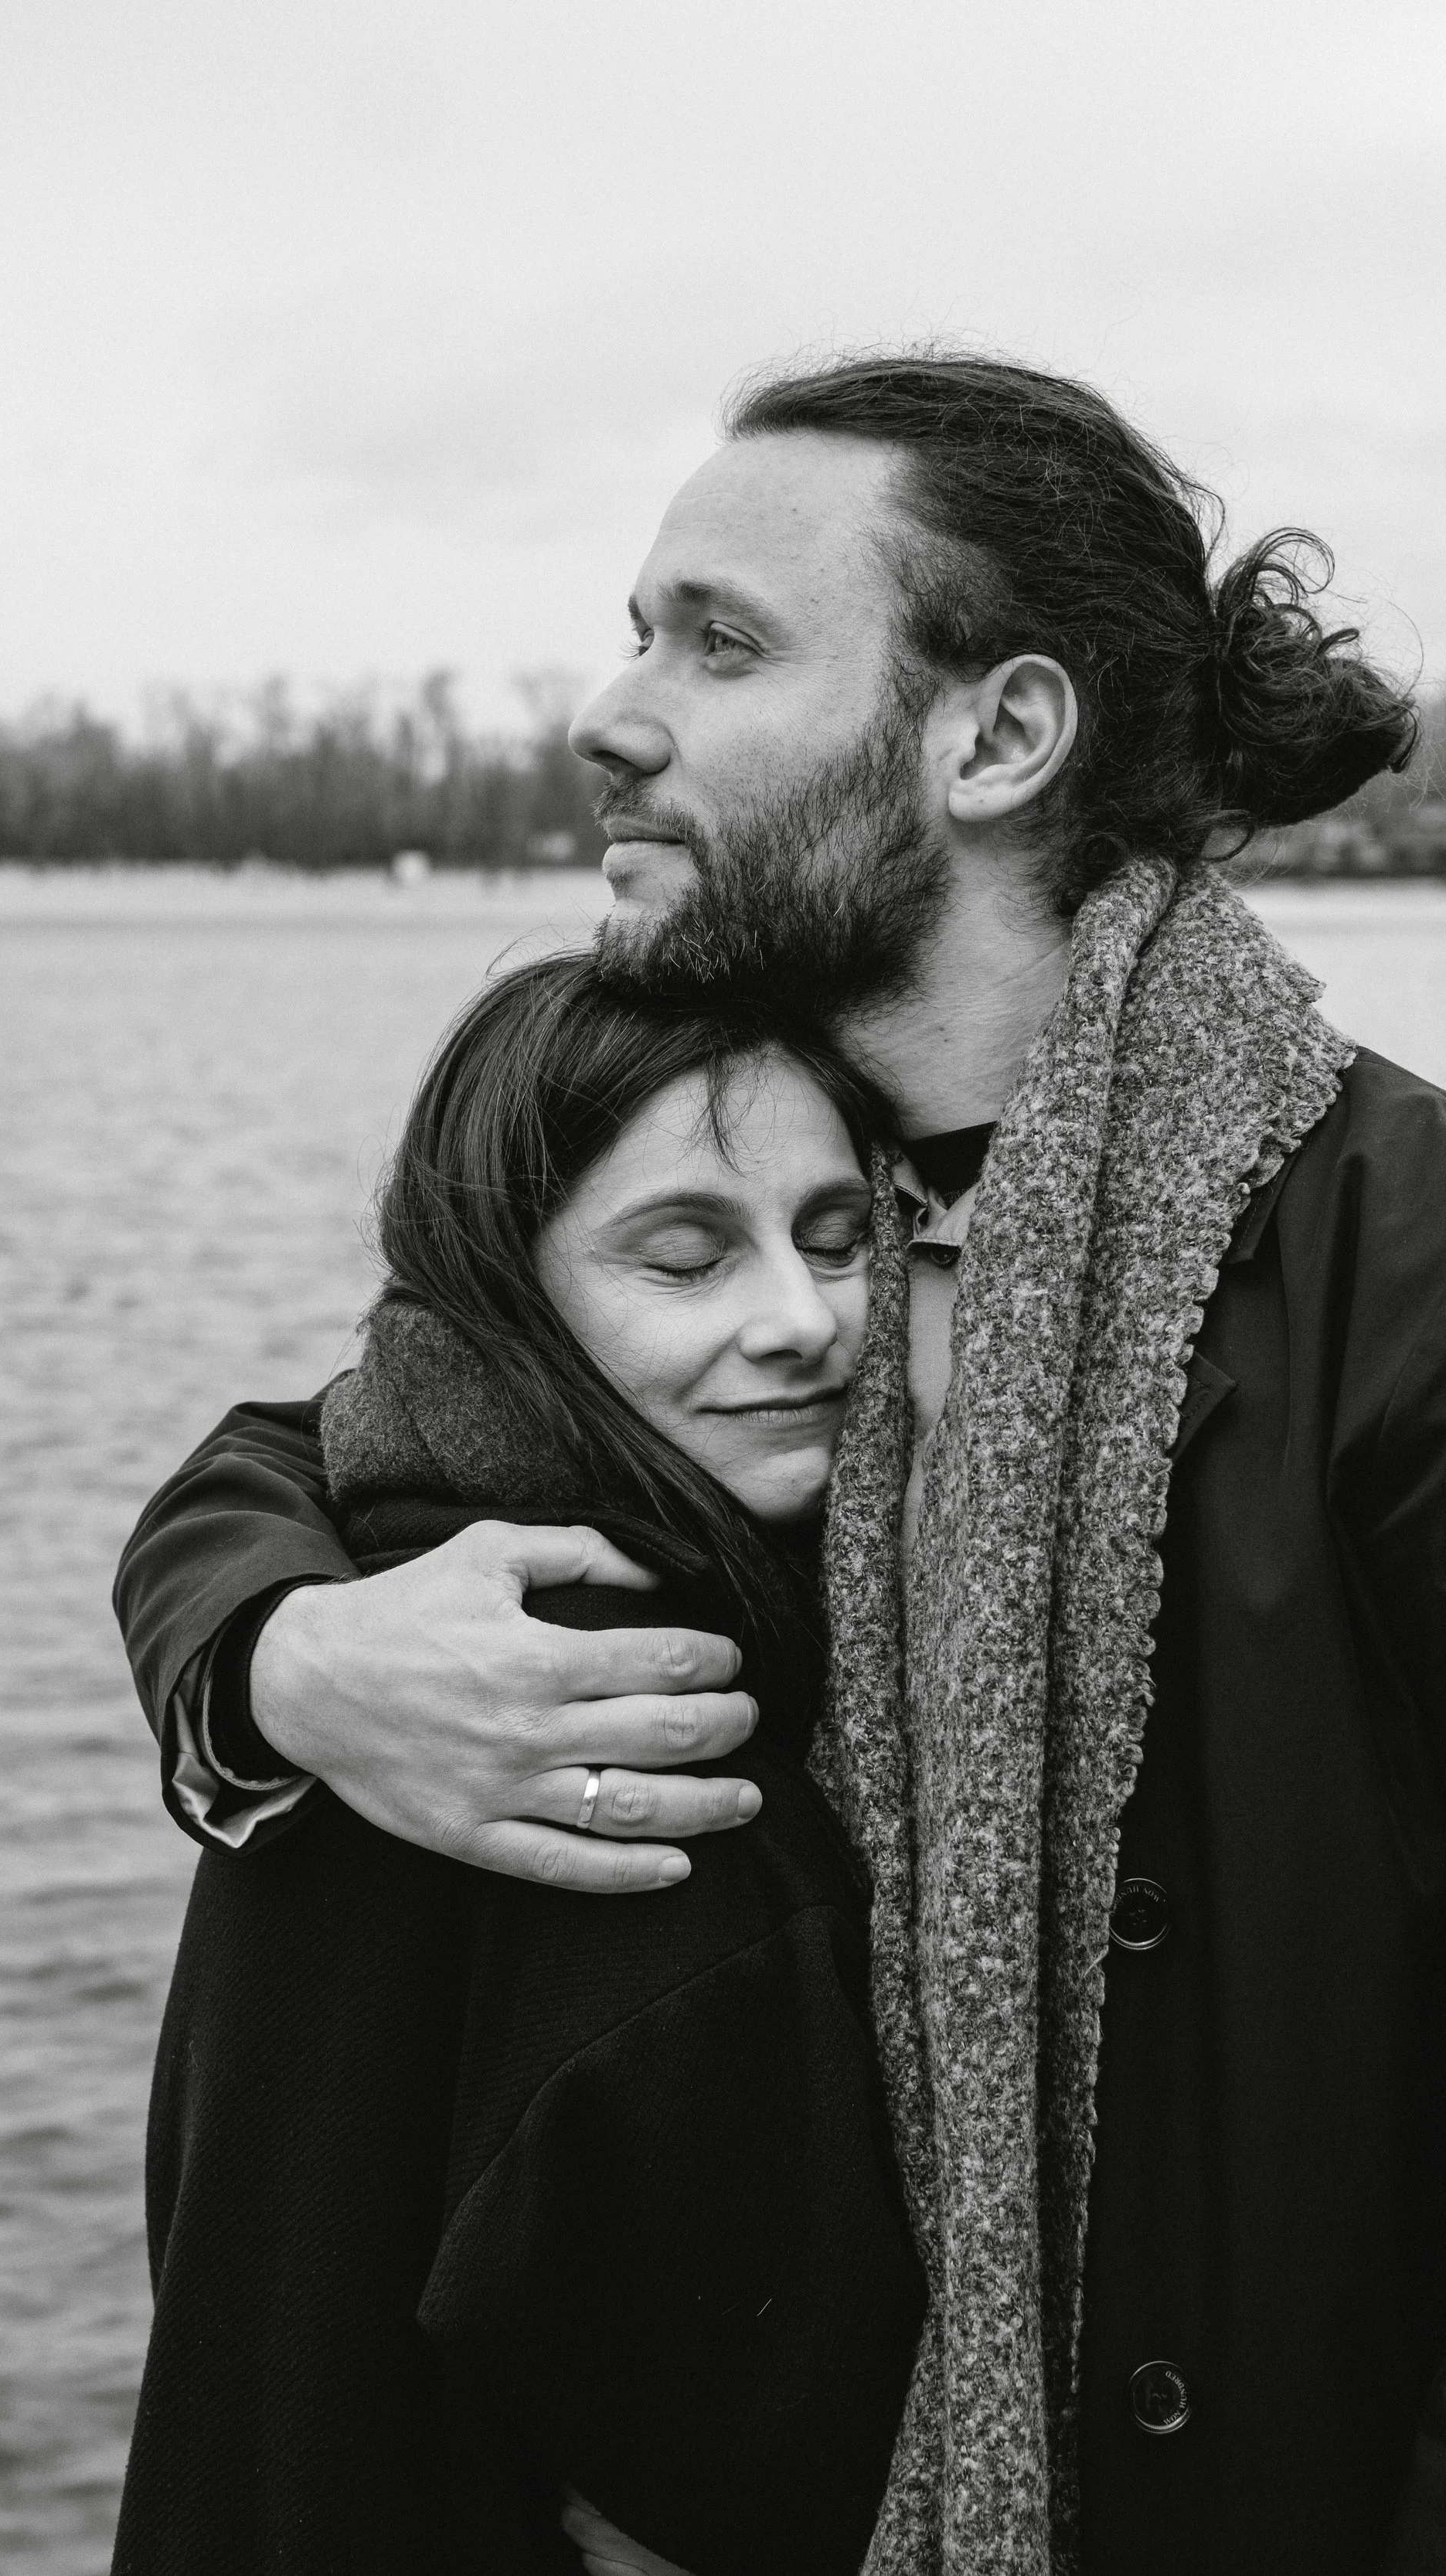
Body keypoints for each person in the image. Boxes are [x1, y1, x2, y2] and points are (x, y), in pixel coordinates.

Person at [116, 353, 1446, 2574]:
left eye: (715, 640)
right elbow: (341, 1437)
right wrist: (267, 1660)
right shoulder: (715, 1224)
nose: (610, 713)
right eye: (638, 630)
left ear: (996, 738)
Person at [113, 959, 924, 2575]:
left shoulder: (373, 1596)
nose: (802, 1318)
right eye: (683, 1257)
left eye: (841, 1237)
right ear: (504, 1294)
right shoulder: (643, 1755)